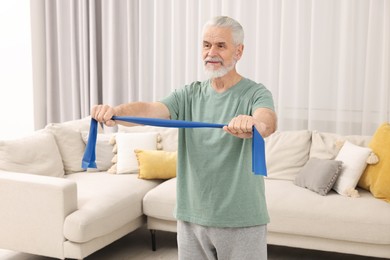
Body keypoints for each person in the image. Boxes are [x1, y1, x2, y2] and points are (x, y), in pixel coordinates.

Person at [92, 16, 277, 260]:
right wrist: (115, 112)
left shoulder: (255, 93)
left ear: (239, 51)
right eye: (206, 45)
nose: (212, 52)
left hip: (241, 218)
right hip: (191, 217)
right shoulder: (188, 94)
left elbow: (267, 122)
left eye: (221, 45)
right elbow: (150, 110)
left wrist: (254, 123)